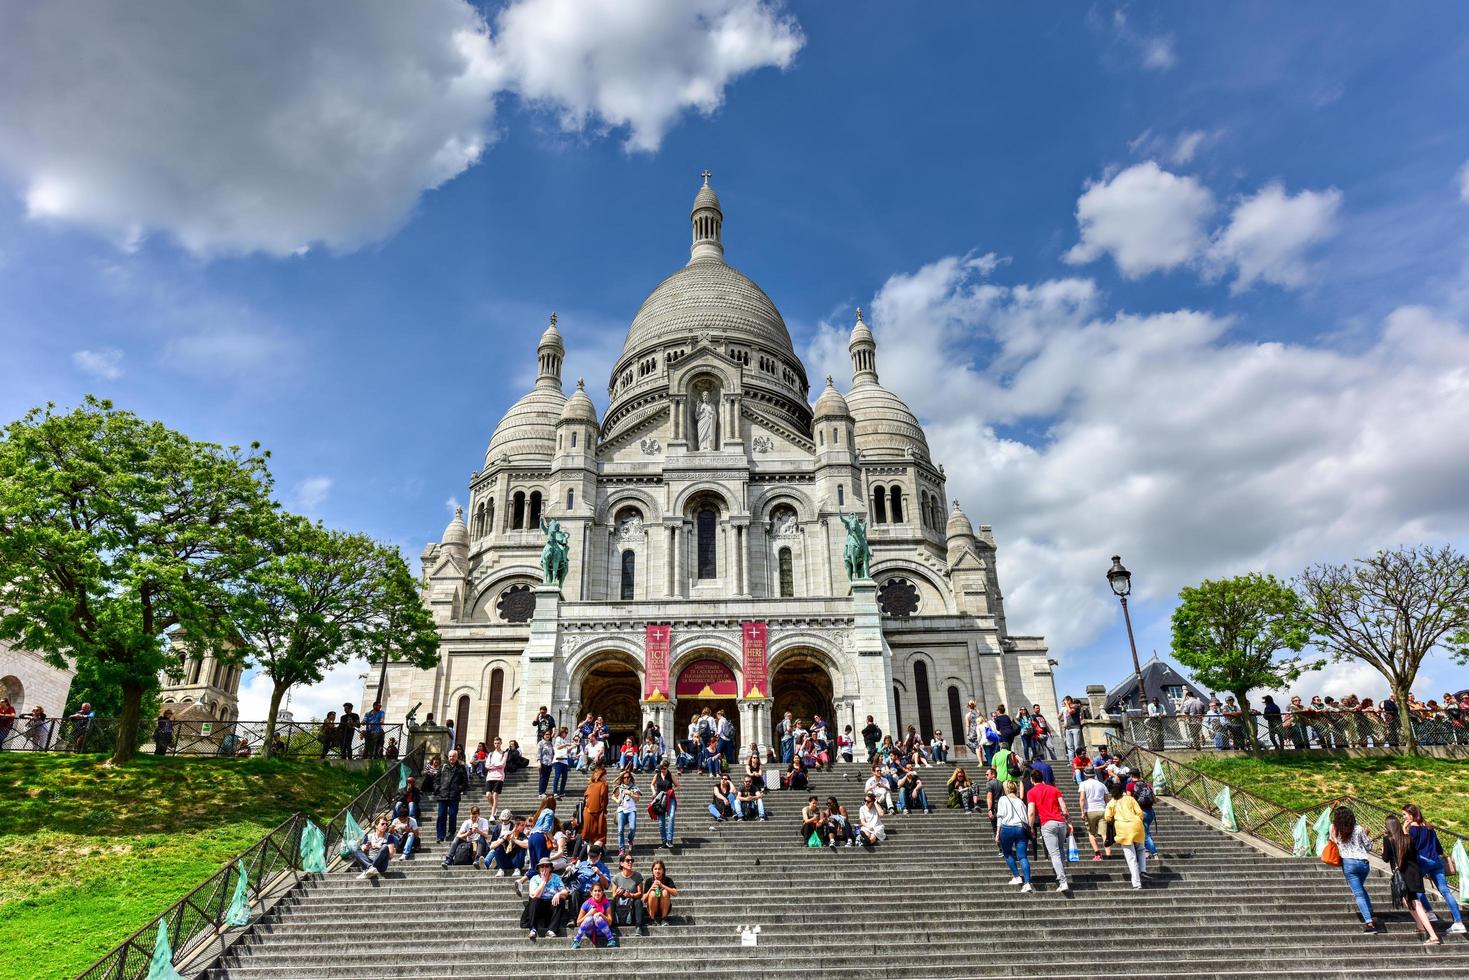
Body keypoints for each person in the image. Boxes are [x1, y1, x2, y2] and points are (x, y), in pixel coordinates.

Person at [1401, 803, 1466, 933]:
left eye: (1404, 814)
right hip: (1437, 861)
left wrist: (1404, 830)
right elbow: (1438, 846)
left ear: (1411, 814)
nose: (1403, 817)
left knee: (1416, 889)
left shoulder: (1413, 828)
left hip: (1423, 860)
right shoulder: (1429, 826)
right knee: (1445, 891)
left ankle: (1429, 912)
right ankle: (1459, 922)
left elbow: (1409, 846)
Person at [1382, 816, 1439, 943]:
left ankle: (1433, 935)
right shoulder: (1408, 838)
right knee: (1408, 899)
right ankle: (1420, 926)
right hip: (1414, 873)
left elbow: (1385, 858)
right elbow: (1414, 854)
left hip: (1403, 874)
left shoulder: (1388, 839)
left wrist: (1383, 850)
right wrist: (1405, 830)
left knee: (1416, 902)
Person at [1330, 806, 1378, 932]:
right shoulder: (1359, 829)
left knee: (1358, 893)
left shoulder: (1335, 828)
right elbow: (1369, 847)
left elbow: (1333, 842)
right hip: (1363, 863)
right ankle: (1371, 912)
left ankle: (1369, 923)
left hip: (1348, 863)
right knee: (1360, 888)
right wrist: (1366, 834)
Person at [1026, 769, 1071, 892]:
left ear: (1032, 780)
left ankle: (1063, 881)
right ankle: (1062, 873)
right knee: (1061, 849)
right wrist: (1068, 822)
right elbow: (1064, 808)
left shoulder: (1031, 792)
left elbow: (1031, 812)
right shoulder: (1054, 789)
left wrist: (1030, 827)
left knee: (1054, 853)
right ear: (1042, 779)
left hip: (1047, 823)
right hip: (1060, 822)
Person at [1104, 782, 1147, 888]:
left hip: (1123, 829)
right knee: (1141, 849)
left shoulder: (1111, 803)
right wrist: (1138, 820)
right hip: (1136, 826)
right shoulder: (1130, 799)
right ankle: (1143, 870)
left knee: (1131, 857)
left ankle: (1137, 883)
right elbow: (1140, 813)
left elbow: (1107, 818)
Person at [995, 780, 1032, 892]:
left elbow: (1000, 817)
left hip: (1007, 828)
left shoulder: (1003, 799)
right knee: (1023, 856)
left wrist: (997, 833)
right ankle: (1027, 882)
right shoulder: (1020, 801)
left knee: (1007, 853)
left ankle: (1016, 876)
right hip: (1021, 828)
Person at [521, 856, 570, 941]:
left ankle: (552, 930)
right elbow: (535, 895)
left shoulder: (556, 878)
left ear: (550, 868)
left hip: (551, 904)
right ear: (539, 868)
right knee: (534, 900)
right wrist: (543, 881)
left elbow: (565, 892)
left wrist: (558, 894)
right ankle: (533, 929)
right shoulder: (534, 879)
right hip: (539, 905)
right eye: (542, 866)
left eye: (547, 866)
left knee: (560, 900)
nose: (544, 868)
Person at [435, 749, 470, 844]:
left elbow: (465, 782)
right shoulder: (443, 766)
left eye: (453, 756)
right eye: (450, 756)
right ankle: (440, 835)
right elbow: (436, 780)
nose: (451, 758)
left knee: (452, 815)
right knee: (441, 816)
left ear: (457, 757)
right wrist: (438, 788)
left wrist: (458, 789)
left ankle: (451, 833)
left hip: (454, 796)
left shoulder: (461, 768)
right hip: (443, 795)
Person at [571, 881, 618, 949]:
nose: (597, 893)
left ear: (602, 893)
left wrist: (601, 914)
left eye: (599, 891)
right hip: (589, 930)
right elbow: (578, 923)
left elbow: (610, 922)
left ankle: (611, 940)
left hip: (601, 930)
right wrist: (589, 913)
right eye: (595, 891)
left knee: (599, 919)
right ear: (591, 893)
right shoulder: (586, 904)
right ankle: (576, 941)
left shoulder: (606, 903)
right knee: (589, 918)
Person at [610, 852, 648, 936]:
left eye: (632, 860)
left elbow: (640, 894)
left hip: (631, 907)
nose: (630, 862)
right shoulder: (616, 878)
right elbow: (613, 896)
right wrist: (617, 893)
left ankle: (638, 926)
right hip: (620, 907)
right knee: (610, 902)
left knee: (638, 902)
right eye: (627, 860)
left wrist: (631, 895)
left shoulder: (637, 876)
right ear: (621, 863)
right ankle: (611, 927)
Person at [1078, 768, 1111, 861]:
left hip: (1090, 810)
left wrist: (1082, 812)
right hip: (1102, 810)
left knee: (1092, 833)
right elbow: (1106, 799)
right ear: (1094, 774)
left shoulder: (1083, 784)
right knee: (1105, 834)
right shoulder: (1101, 784)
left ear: (1085, 774)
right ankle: (1108, 854)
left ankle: (1097, 854)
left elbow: (1082, 799)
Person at [352, 815, 395, 880]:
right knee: (354, 845)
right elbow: (362, 850)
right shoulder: (369, 836)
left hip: (381, 865)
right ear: (376, 826)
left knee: (385, 847)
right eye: (382, 824)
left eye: (386, 824)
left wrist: (378, 846)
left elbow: (391, 855)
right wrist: (366, 847)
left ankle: (369, 869)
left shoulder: (389, 836)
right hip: (369, 860)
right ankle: (370, 867)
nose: (385, 826)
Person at [651, 759, 679, 848]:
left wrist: (671, 790)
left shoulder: (671, 775)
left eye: (664, 768)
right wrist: (653, 792)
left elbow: (678, 785)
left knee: (671, 816)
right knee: (661, 822)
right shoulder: (657, 774)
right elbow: (652, 784)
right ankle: (664, 841)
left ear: (667, 767)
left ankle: (669, 840)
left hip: (669, 798)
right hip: (660, 800)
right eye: (661, 768)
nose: (662, 770)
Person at [490, 812, 528, 877]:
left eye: (524, 825)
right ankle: (500, 869)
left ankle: (517, 869)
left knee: (522, 846)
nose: (524, 827)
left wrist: (514, 840)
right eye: (522, 825)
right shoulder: (506, 834)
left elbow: (527, 844)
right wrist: (503, 839)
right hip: (505, 861)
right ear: (516, 826)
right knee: (498, 845)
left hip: (516, 862)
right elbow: (492, 846)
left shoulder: (522, 836)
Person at [613, 768, 641, 854]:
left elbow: (638, 799)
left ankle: (630, 840)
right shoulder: (620, 787)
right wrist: (617, 800)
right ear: (622, 778)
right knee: (620, 830)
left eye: (628, 777)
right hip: (621, 809)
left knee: (632, 828)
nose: (627, 779)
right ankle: (621, 848)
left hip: (631, 809)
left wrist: (630, 793)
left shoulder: (634, 787)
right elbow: (613, 796)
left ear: (630, 778)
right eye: (625, 777)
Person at [644, 858, 679, 925]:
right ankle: (651, 918)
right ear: (652, 871)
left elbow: (675, 893)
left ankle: (664, 918)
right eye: (655, 869)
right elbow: (644, 900)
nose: (657, 871)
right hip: (653, 908)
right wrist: (650, 889)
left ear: (663, 871)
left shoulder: (668, 880)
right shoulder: (649, 881)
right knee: (652, 894)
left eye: (659, 869)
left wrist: (662, 885)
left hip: (665, 908)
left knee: (665, 892)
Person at [484, 736, 509, 813]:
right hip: (490, 776)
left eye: (498, 743)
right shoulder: (491, 754)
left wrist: (493, 765)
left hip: (499, 777)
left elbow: (502, 764)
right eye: (495, 743)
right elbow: (487, 765)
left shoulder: (504, 753)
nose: (497, 745)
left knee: (495, 795)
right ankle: (494, 808)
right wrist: (495, 765)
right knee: (488, 795)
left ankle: (492, 814)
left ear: (501, 743)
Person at [536, 729, 555, 796]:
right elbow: (538, 753)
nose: (548, 736)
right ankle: (541, 793)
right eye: (546, 734)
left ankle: (543, 791)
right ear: (543, 735)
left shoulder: (550, 743)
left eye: (549, 734)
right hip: (543, 763)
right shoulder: (541, 743)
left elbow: (552, 753)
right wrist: (538, 761)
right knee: (543, 778)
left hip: (549, 763)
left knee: (547, 779)